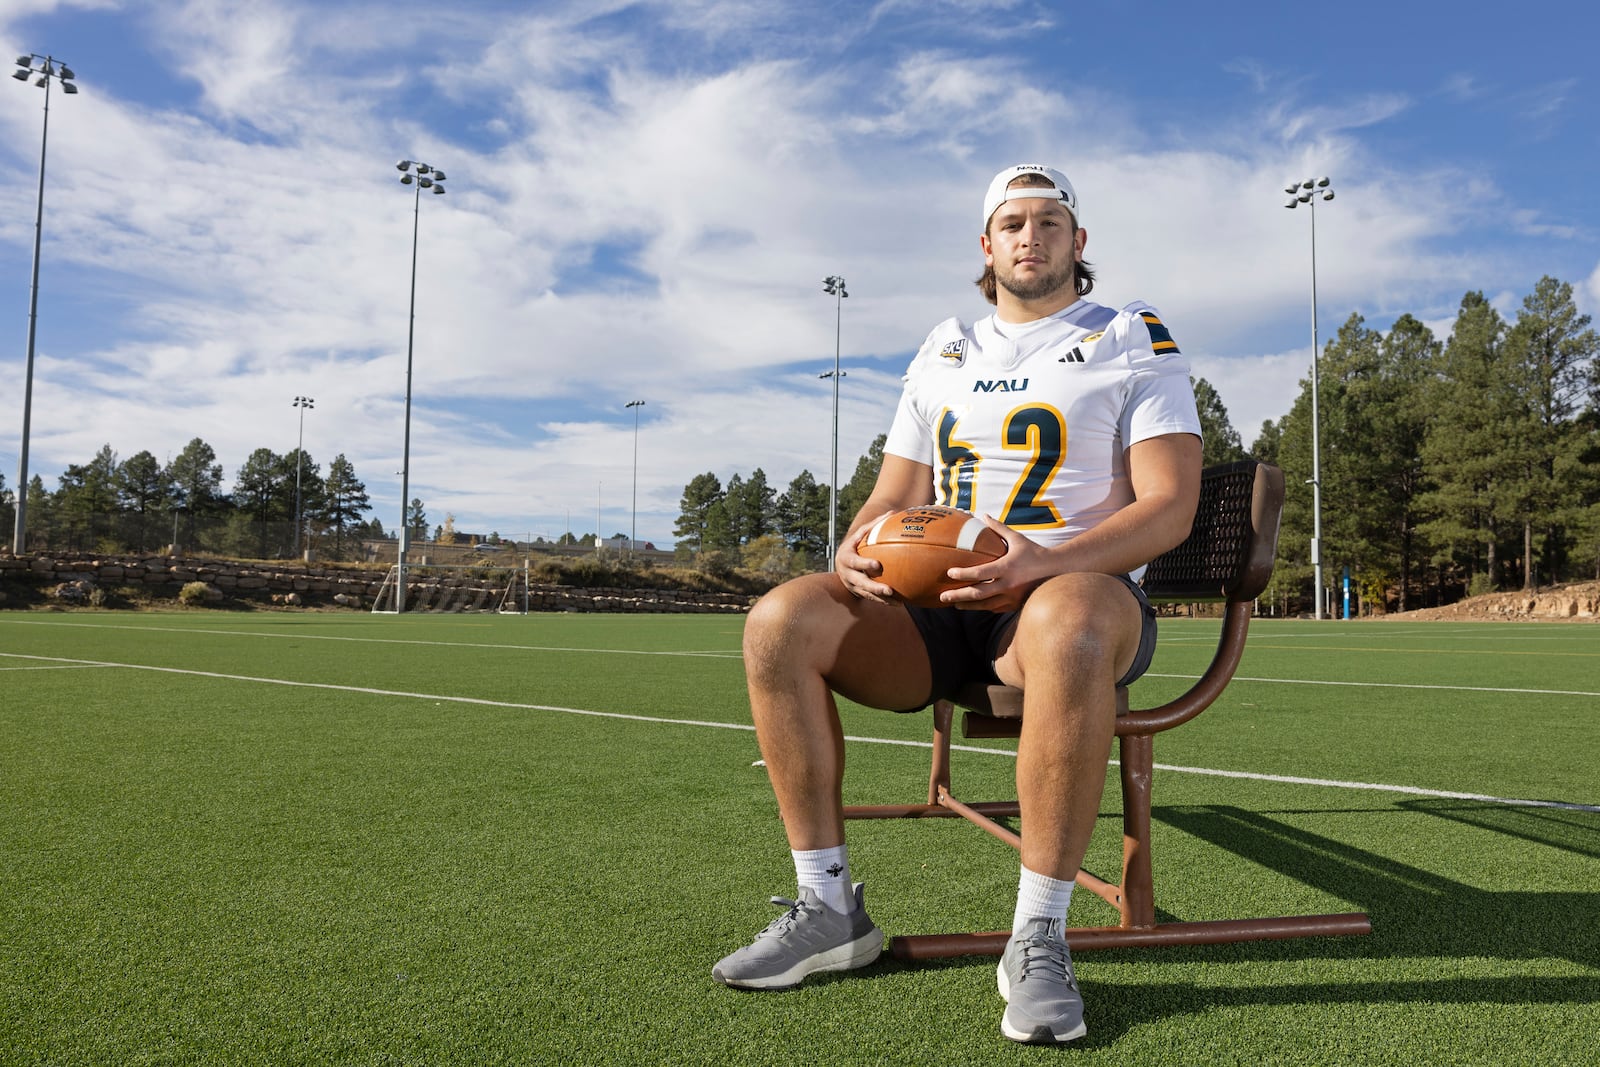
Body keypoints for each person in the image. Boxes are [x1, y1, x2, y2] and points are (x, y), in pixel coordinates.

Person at [712, 163, 1203, 1045]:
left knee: (1074, 622)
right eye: (1012, 222)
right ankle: (829, 910)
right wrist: (854, 549)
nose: (1031, 236)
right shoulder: (944, 347)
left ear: (1078, 242)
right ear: (987, 244)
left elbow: (1168, 506)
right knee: (781, 619)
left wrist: (1042, 562)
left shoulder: (1131, 334)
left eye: (1050, 222)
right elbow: (887, 496)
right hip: (937, 607)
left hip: (1068, 593)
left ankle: (1040, 933)